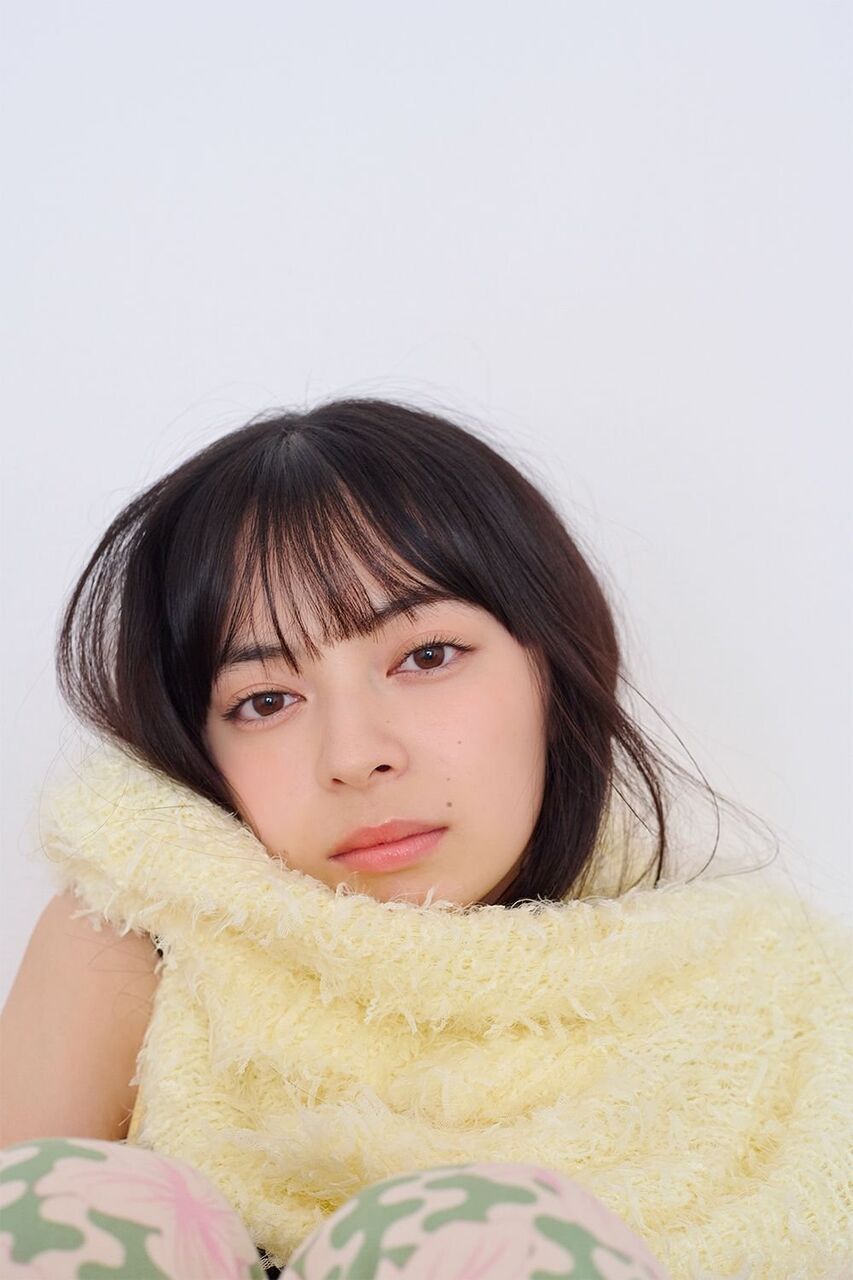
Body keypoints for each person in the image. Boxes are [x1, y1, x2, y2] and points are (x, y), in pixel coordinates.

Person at [1, 398, 850, 1279]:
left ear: (551, 663)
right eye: (265, 701)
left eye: (426, 656)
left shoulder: (769, 994)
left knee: (493, 1238)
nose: (354, 756)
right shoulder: (142, 938)